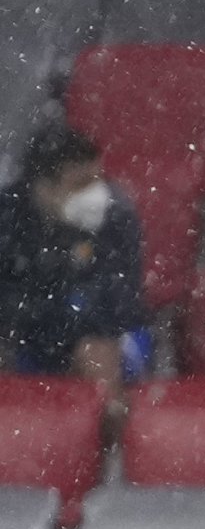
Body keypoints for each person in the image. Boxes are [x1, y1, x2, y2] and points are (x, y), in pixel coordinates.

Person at [0, 123, 146, 399]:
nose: (96, 193)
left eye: (98, 179)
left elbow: (119, 303)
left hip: (104, 334)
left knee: (95, 352)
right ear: (44, 187)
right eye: (81, 184)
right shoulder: (7, 216)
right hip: (28, 336)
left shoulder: (116, 216)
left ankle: (107, 437)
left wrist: (65, 316)